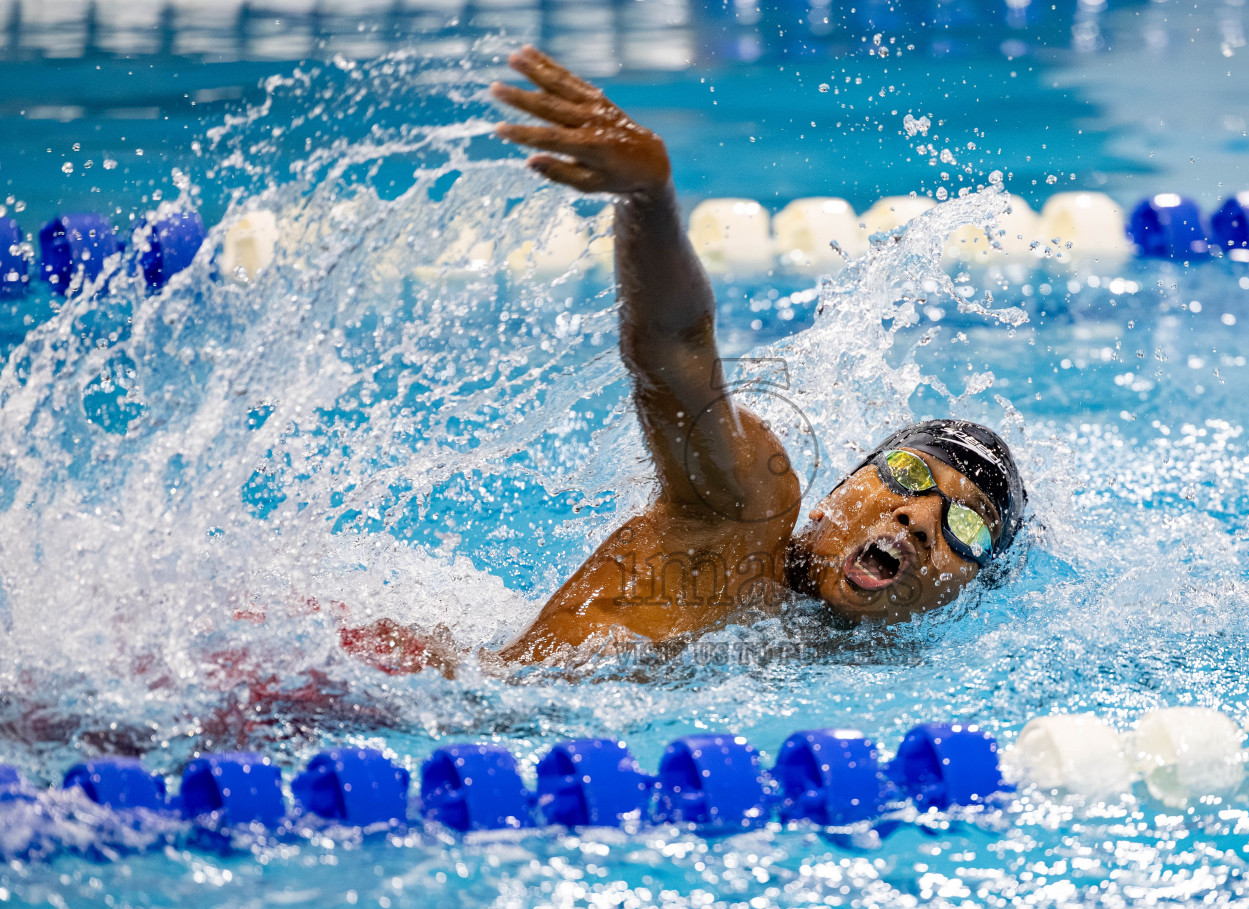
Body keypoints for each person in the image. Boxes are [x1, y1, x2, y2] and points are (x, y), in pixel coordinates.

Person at [344, 46, 1027, 674]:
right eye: (906, 475)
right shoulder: (746, 511)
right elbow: (675, 353)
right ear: (835, 495)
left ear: (957, 595)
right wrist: (648, 201)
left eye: (966, 529)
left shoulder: (857, 660)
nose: (919, 517)